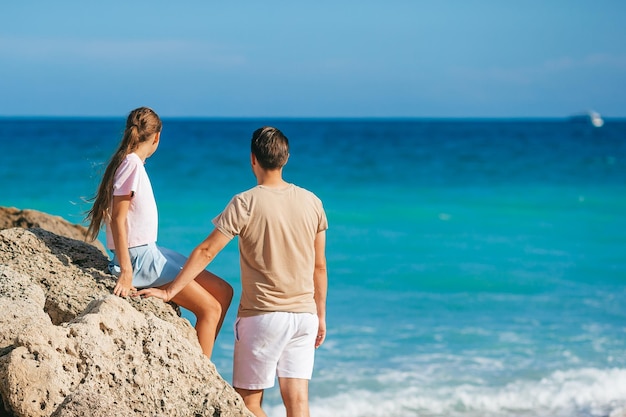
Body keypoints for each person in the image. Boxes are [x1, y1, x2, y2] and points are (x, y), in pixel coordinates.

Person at [137, 126, 328, 417]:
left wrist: (169, 291)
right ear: (285, 158)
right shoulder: (313, 202)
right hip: (305, 317)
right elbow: (320, 266)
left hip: (263, 316)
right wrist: (320, 315)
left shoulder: (246, 202)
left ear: (253, 159)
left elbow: (206, 251)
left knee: (249, 405)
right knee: (298, 403)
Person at [84, 106, 233, 359]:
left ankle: (201, 363)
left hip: (151, 251)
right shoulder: (130, 164)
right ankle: (200, 374)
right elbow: (119, 220)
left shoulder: (132, 163)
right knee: (210, 309)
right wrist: (127, 272)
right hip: (140, 261)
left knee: (224, 291)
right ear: (156, 137)